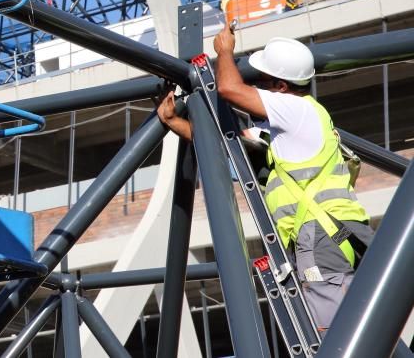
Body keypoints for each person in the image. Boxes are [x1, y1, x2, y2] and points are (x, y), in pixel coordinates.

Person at [156, 27, 373, 332]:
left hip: (321, 235)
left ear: (281, 86)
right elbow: (227, 147)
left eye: (261, 82)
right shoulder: (290, 129)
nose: (255, 87)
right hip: (334, 232)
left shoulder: (294, 110)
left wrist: (225, 52)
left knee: (331, 335)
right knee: (352, 327)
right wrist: (173, 121)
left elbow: (230, 89)